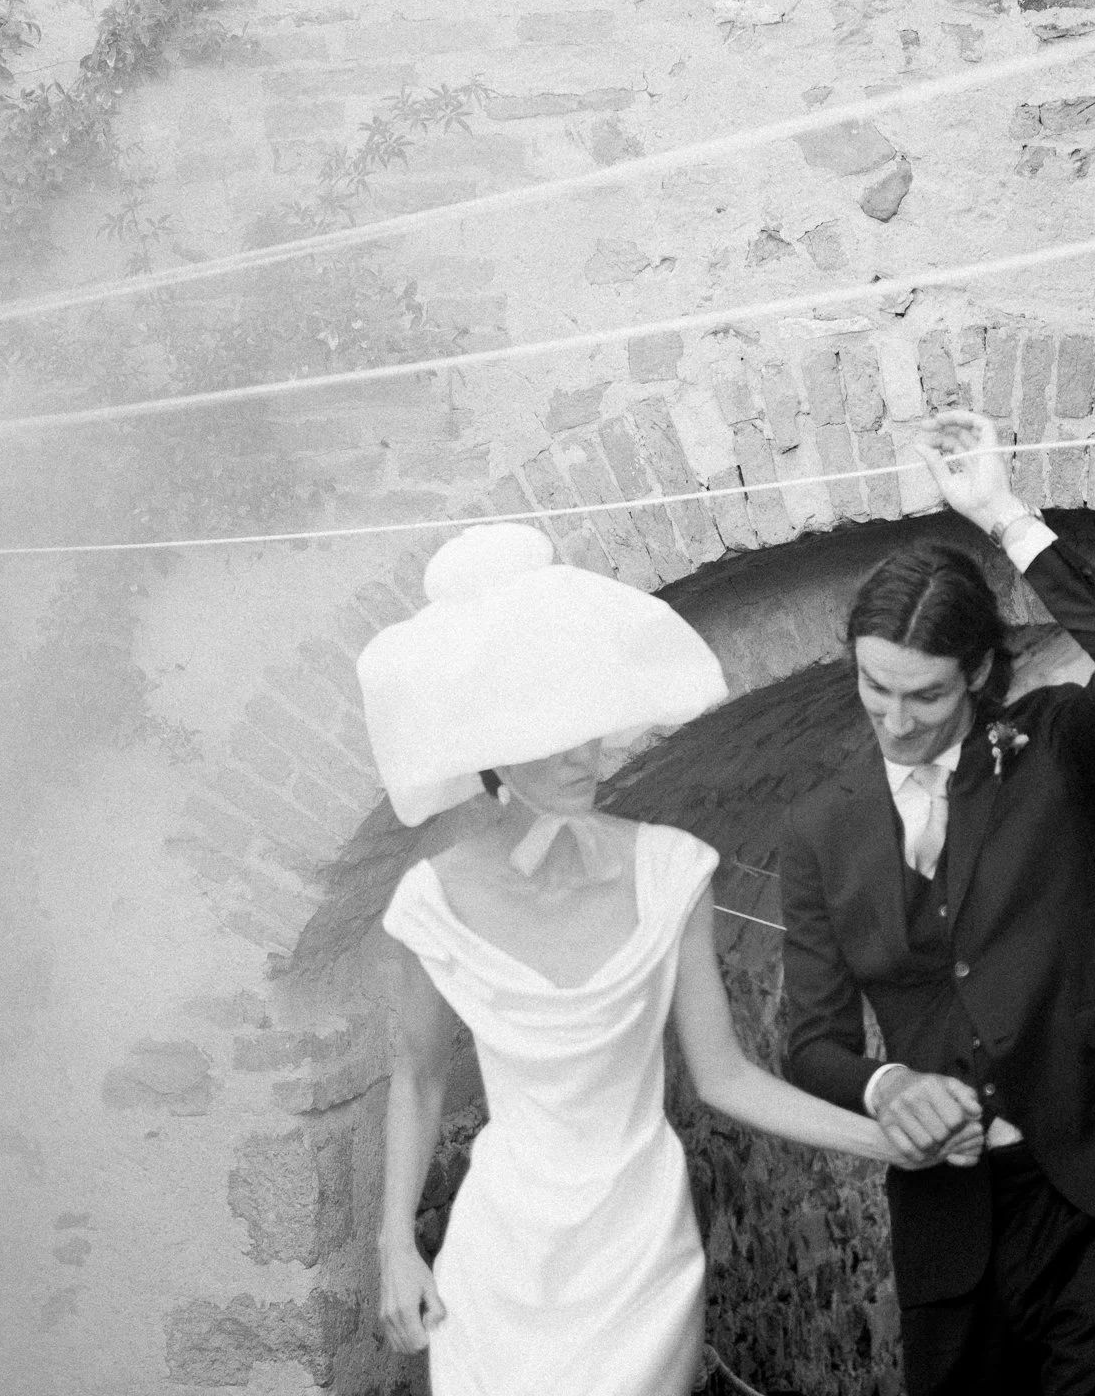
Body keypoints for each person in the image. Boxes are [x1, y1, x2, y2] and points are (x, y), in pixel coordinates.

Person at [358, 520, 976, 1396]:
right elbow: (415, 1080)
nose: (590, 753)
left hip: (638, 1259)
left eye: (591, 723)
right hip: (501, 1264)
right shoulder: (426, 904)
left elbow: (724, 1077)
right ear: (487, 744)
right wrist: (396, 1248)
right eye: (552, 733)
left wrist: (885, 1143)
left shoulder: (670, 868)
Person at [780, 409, 1095, 1396]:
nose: (896, 720)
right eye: (874, 689)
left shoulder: (1053, 751)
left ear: (977, 672)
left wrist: (1005, 516)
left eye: (924, 696)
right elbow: (811, 1041)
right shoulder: (817, 829)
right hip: (949, 1217)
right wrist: (885, 1089)